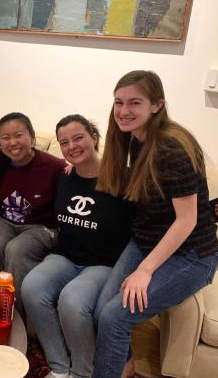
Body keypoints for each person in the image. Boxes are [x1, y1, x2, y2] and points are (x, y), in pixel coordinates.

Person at [92, 70, 218, 378]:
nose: (124, 111)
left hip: (193, 256)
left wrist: (145, 271)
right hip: (146, 241)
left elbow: (187, 220)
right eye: (118, 102)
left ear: (156, 106)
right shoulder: (135, 139)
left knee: (114, 317)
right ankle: (124, 367)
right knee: (102, 310)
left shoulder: (170, 147)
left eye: (134, 103)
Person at [21, 115, 133, 378]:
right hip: (65, 256)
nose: (72, 146)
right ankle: (59, 367)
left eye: (78, 137)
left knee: (73, 300)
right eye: (64, 142)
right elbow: (26, 160)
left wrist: (209, 209)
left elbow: (160, 209)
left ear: (94, 137)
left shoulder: (123, 178)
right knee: (31, 287)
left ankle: (82, 372)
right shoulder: (64, 176)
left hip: (103, 263)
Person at [0, 112, 66, 312]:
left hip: (41, 227)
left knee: (16, 249)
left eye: (19, 135)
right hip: (5, 222)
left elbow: (80, 175)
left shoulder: (53, 166)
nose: (13, 143)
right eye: (5, 138)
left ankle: (15, 314)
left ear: (32, 137)